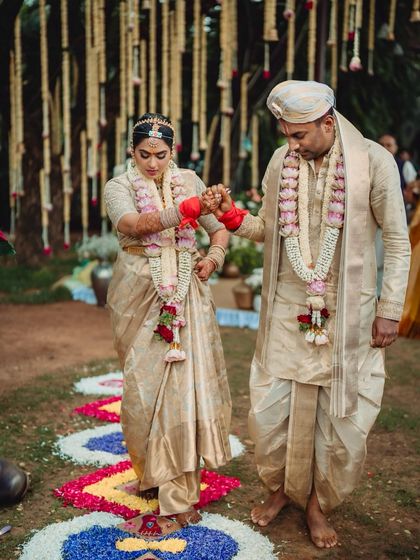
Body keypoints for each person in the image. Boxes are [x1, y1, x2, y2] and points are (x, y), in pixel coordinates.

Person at [202, 81, 411, 548]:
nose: (290, 145)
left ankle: (317, 505)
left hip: (347, 310)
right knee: (271, 407)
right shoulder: (283, 162)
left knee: (337, 415)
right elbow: (271, 231)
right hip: (288, 306)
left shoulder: (374, 162)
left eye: (298, 135)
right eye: (286, 134)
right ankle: (279, 491)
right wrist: (233, 217)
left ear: (328, 122)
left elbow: (397, 242)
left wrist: (390, 309)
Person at [104, 113, 232, 527]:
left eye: (160, 155)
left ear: (172, 152)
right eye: (144, 154)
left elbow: (220, 229)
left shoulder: (189, 180)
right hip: (137, 291)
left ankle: (179, 495)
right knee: (141, 395)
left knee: (182, 391)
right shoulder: (118, 187)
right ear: (131, 151)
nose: (153, 164)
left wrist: (214, 257)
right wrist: (187, 209)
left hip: (186, 292)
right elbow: (133, 225)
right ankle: (151, 474)